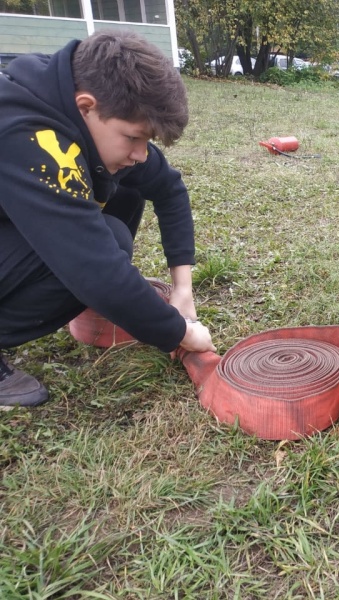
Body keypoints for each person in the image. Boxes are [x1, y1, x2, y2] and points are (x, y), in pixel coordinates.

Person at [0, 30, 215, 409]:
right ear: (87, 106)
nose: (140, 153)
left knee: (126, 189)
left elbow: (168, 189)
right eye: (133, 138)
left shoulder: (73, 104)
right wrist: (180, 332)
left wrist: (183, 290)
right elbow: (93, 266)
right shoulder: (29, 136)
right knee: (106, 244)